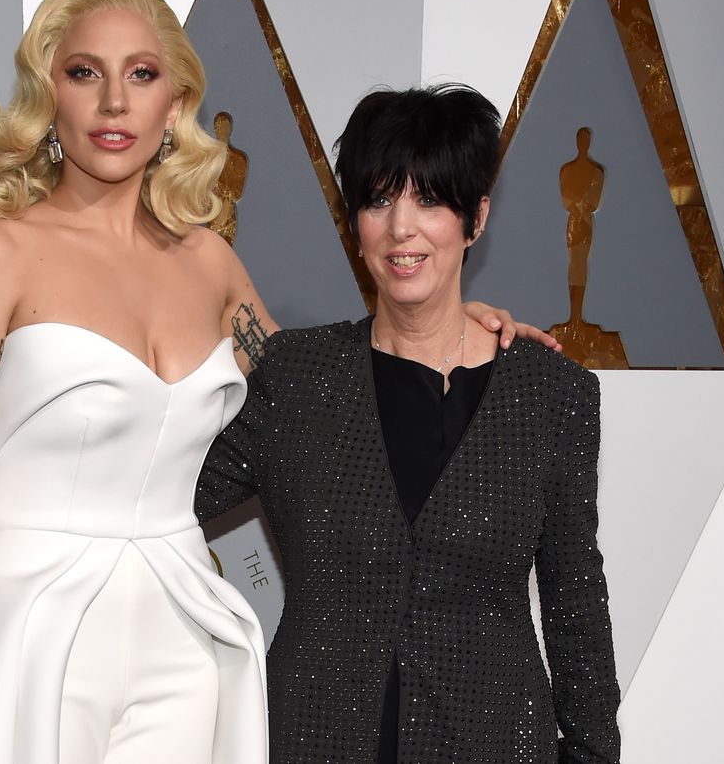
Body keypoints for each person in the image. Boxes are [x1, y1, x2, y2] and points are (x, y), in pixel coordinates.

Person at [0, 0, 545, 764]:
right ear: (49, 96)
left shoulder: (209, 263)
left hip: (179, 626)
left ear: (174, 104)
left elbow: (323, 393)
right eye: (84, 72)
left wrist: (453, 327)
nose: (114, 102)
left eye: (141, 74)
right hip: (26, 619)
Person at [195, 84, 621, 763]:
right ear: (354, 223)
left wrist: (593, 754)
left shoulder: (552, 396)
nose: (401, 227)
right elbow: (159, 500)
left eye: (428, 200)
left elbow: (576, 605)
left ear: (475, 218)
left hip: (495, 744)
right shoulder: (296, 378)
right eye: (378, 200)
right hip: (313, 739)